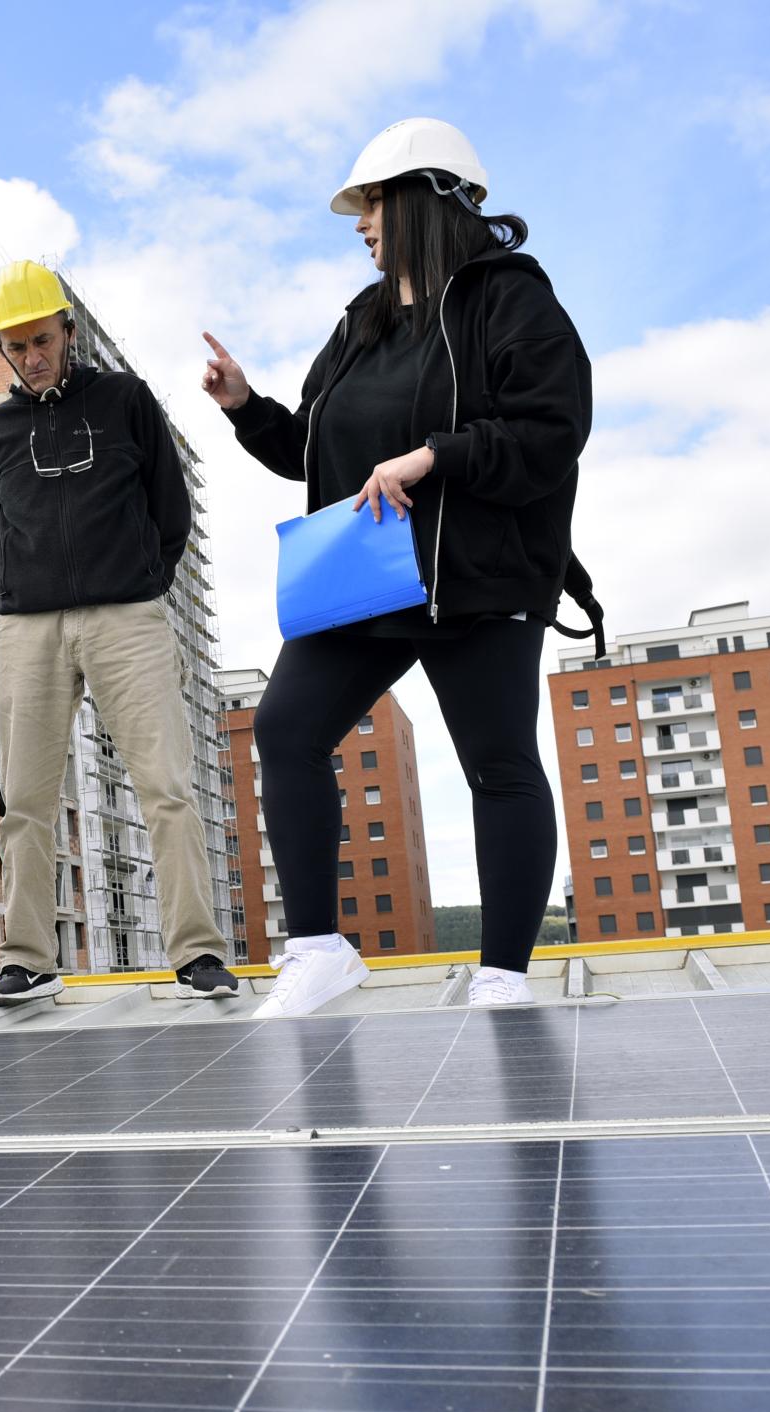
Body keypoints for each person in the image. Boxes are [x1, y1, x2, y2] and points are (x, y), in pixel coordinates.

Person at [202, 118, 591, 1015]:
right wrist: (245, 407)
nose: (358, 223)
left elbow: (552, 431)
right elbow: (311, 450)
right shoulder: (361, 323)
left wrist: (435, 457)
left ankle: (502, 976)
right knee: (287, 730)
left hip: (480, 574)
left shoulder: (512, 298)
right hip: (368, 574)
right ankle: (319, 950)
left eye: (372, 202)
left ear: (425, 197)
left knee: (497, 764)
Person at [0, 261, 242, 1008]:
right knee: (24, 800)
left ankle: (196, 954)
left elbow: (169, 509)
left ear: (68, 330)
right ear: (1, 347)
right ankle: (27, 960)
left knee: (167, 789)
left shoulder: (124, 401)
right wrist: (25, 592)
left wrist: (140, 582)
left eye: (42, 339)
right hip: (29, 628)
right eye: (17, 345)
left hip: (128, 619)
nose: (32, 355)